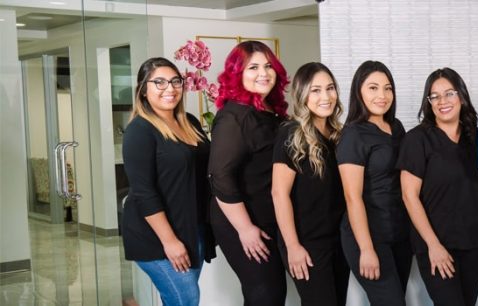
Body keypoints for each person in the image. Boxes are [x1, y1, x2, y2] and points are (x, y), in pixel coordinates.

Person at [121, 57, 213, 306]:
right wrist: (170, 241)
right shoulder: (139, 131)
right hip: (157, 236)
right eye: (159, 82)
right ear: (143, 89)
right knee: (186, 299)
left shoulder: (190, 122)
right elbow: (143, 192)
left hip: (192, 229)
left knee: (179, 299)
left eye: (175, 81)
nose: (169, 89)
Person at [397, 68, 478, 306]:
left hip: (473, 240)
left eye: (449, 93)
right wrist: (433, 245)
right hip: (436, 243)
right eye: (435, 96)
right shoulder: (417, 140)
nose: (443, 101)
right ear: (428, 102)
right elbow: (409, 196)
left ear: (461, 95)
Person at [208, 41, 290, 305]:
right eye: (253, 67)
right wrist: (245, 229)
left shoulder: (269, 111)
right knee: (265, 293)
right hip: (242, 221)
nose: (263, 73)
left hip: (266, 216)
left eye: (268, 66)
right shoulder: (235, 117)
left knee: (272, 292)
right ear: (237, 74)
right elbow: (219, 176)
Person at [271, 62, 350, 305]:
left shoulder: (340, 134)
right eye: (315, 90)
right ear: (302, 94)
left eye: (330, 88)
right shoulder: (291, 134)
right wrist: (293, 246)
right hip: (307, 241)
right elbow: (278, 193)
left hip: (338, 240)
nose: (325, 97)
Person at [337, 60, 410, 305]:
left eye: (388, 88)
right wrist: (366, 249)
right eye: (373, 88)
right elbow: (352, 197)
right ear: (359, 91)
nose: (382, 95)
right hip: (368, 235)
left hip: (399, 231)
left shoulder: (396, 127)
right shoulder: (354, 134)